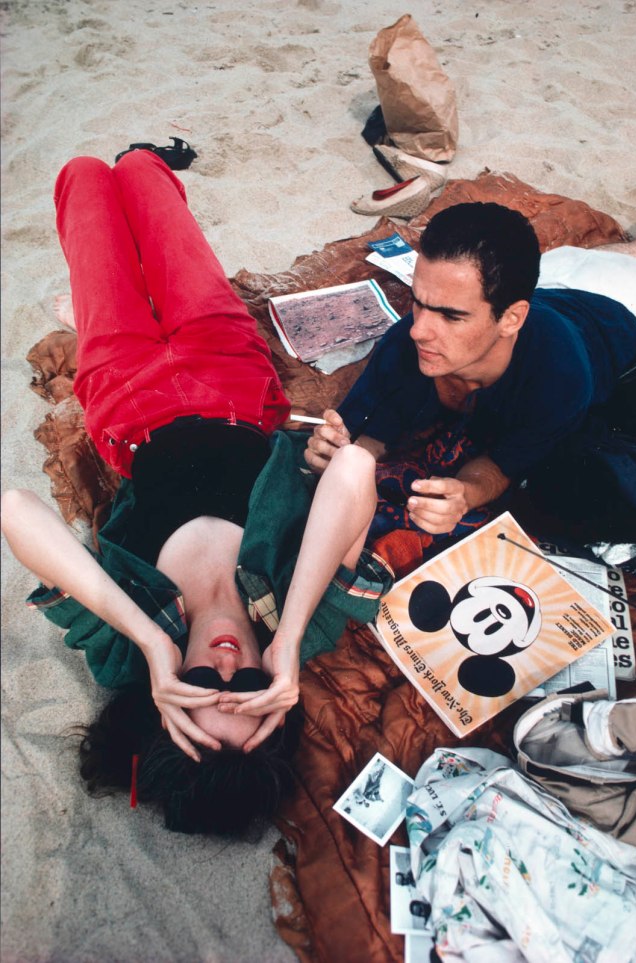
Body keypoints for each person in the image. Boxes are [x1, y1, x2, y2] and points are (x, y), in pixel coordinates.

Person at [0, 150, 393, 834]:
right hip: (232, 376)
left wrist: (154, 643)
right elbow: (354, 471)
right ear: (276, 693)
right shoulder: (299, 629)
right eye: (246, 687)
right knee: (145, 182)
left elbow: (15, 510)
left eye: (203, 684)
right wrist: (291, 634)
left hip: (125, 393)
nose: (226, 661)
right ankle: (149, 158)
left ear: (165, 699)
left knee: (83, 180)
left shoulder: (128, 647)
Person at [306, 202, 636, 554]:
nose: (419, 331)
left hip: (624, 304)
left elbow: (502, 465)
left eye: (450, 317)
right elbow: (367, 439)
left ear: (513, 320)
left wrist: (465, 495)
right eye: (418, 302)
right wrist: (333, 452)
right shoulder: (404, 341)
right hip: (539, 287)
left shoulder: (560, 378)